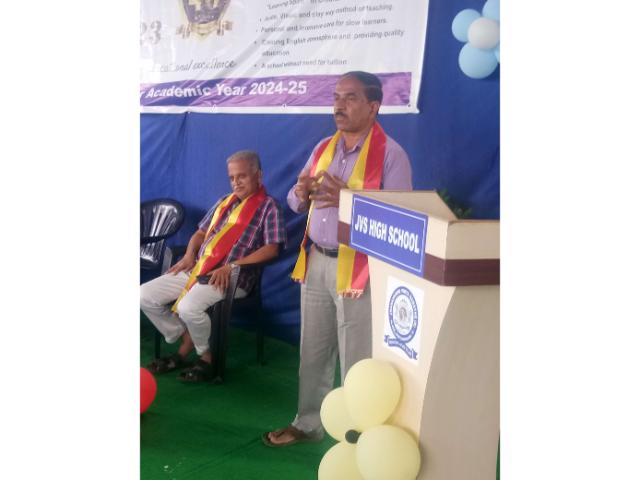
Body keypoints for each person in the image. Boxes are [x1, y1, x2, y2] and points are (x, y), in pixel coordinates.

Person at [263, 71, 413, 446]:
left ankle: (357, 431)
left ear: (373, 106)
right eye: (336, 97)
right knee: (312, 350)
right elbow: (294, 199)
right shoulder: (323, 149)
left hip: (360, 268)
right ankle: (308, 423)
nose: (338, 105)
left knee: (357, 355)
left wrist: (351, 199)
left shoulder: (391, 155)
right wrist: (300, 193)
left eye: (350, 98)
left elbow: (401, 221)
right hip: (316, 261)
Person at [140, 150, 286, 382]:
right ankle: (185, 337)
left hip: (233, 276)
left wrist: (232, 266)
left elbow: (272, 249)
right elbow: (200, 233)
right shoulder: (224, 203)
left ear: (258, 175)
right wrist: (189, 255)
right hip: (199, 268)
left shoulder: (269, 207)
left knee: (188, 307)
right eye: (232, 178)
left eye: (242, 176)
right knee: (144, 295)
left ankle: (206, 357)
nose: (236, 182)